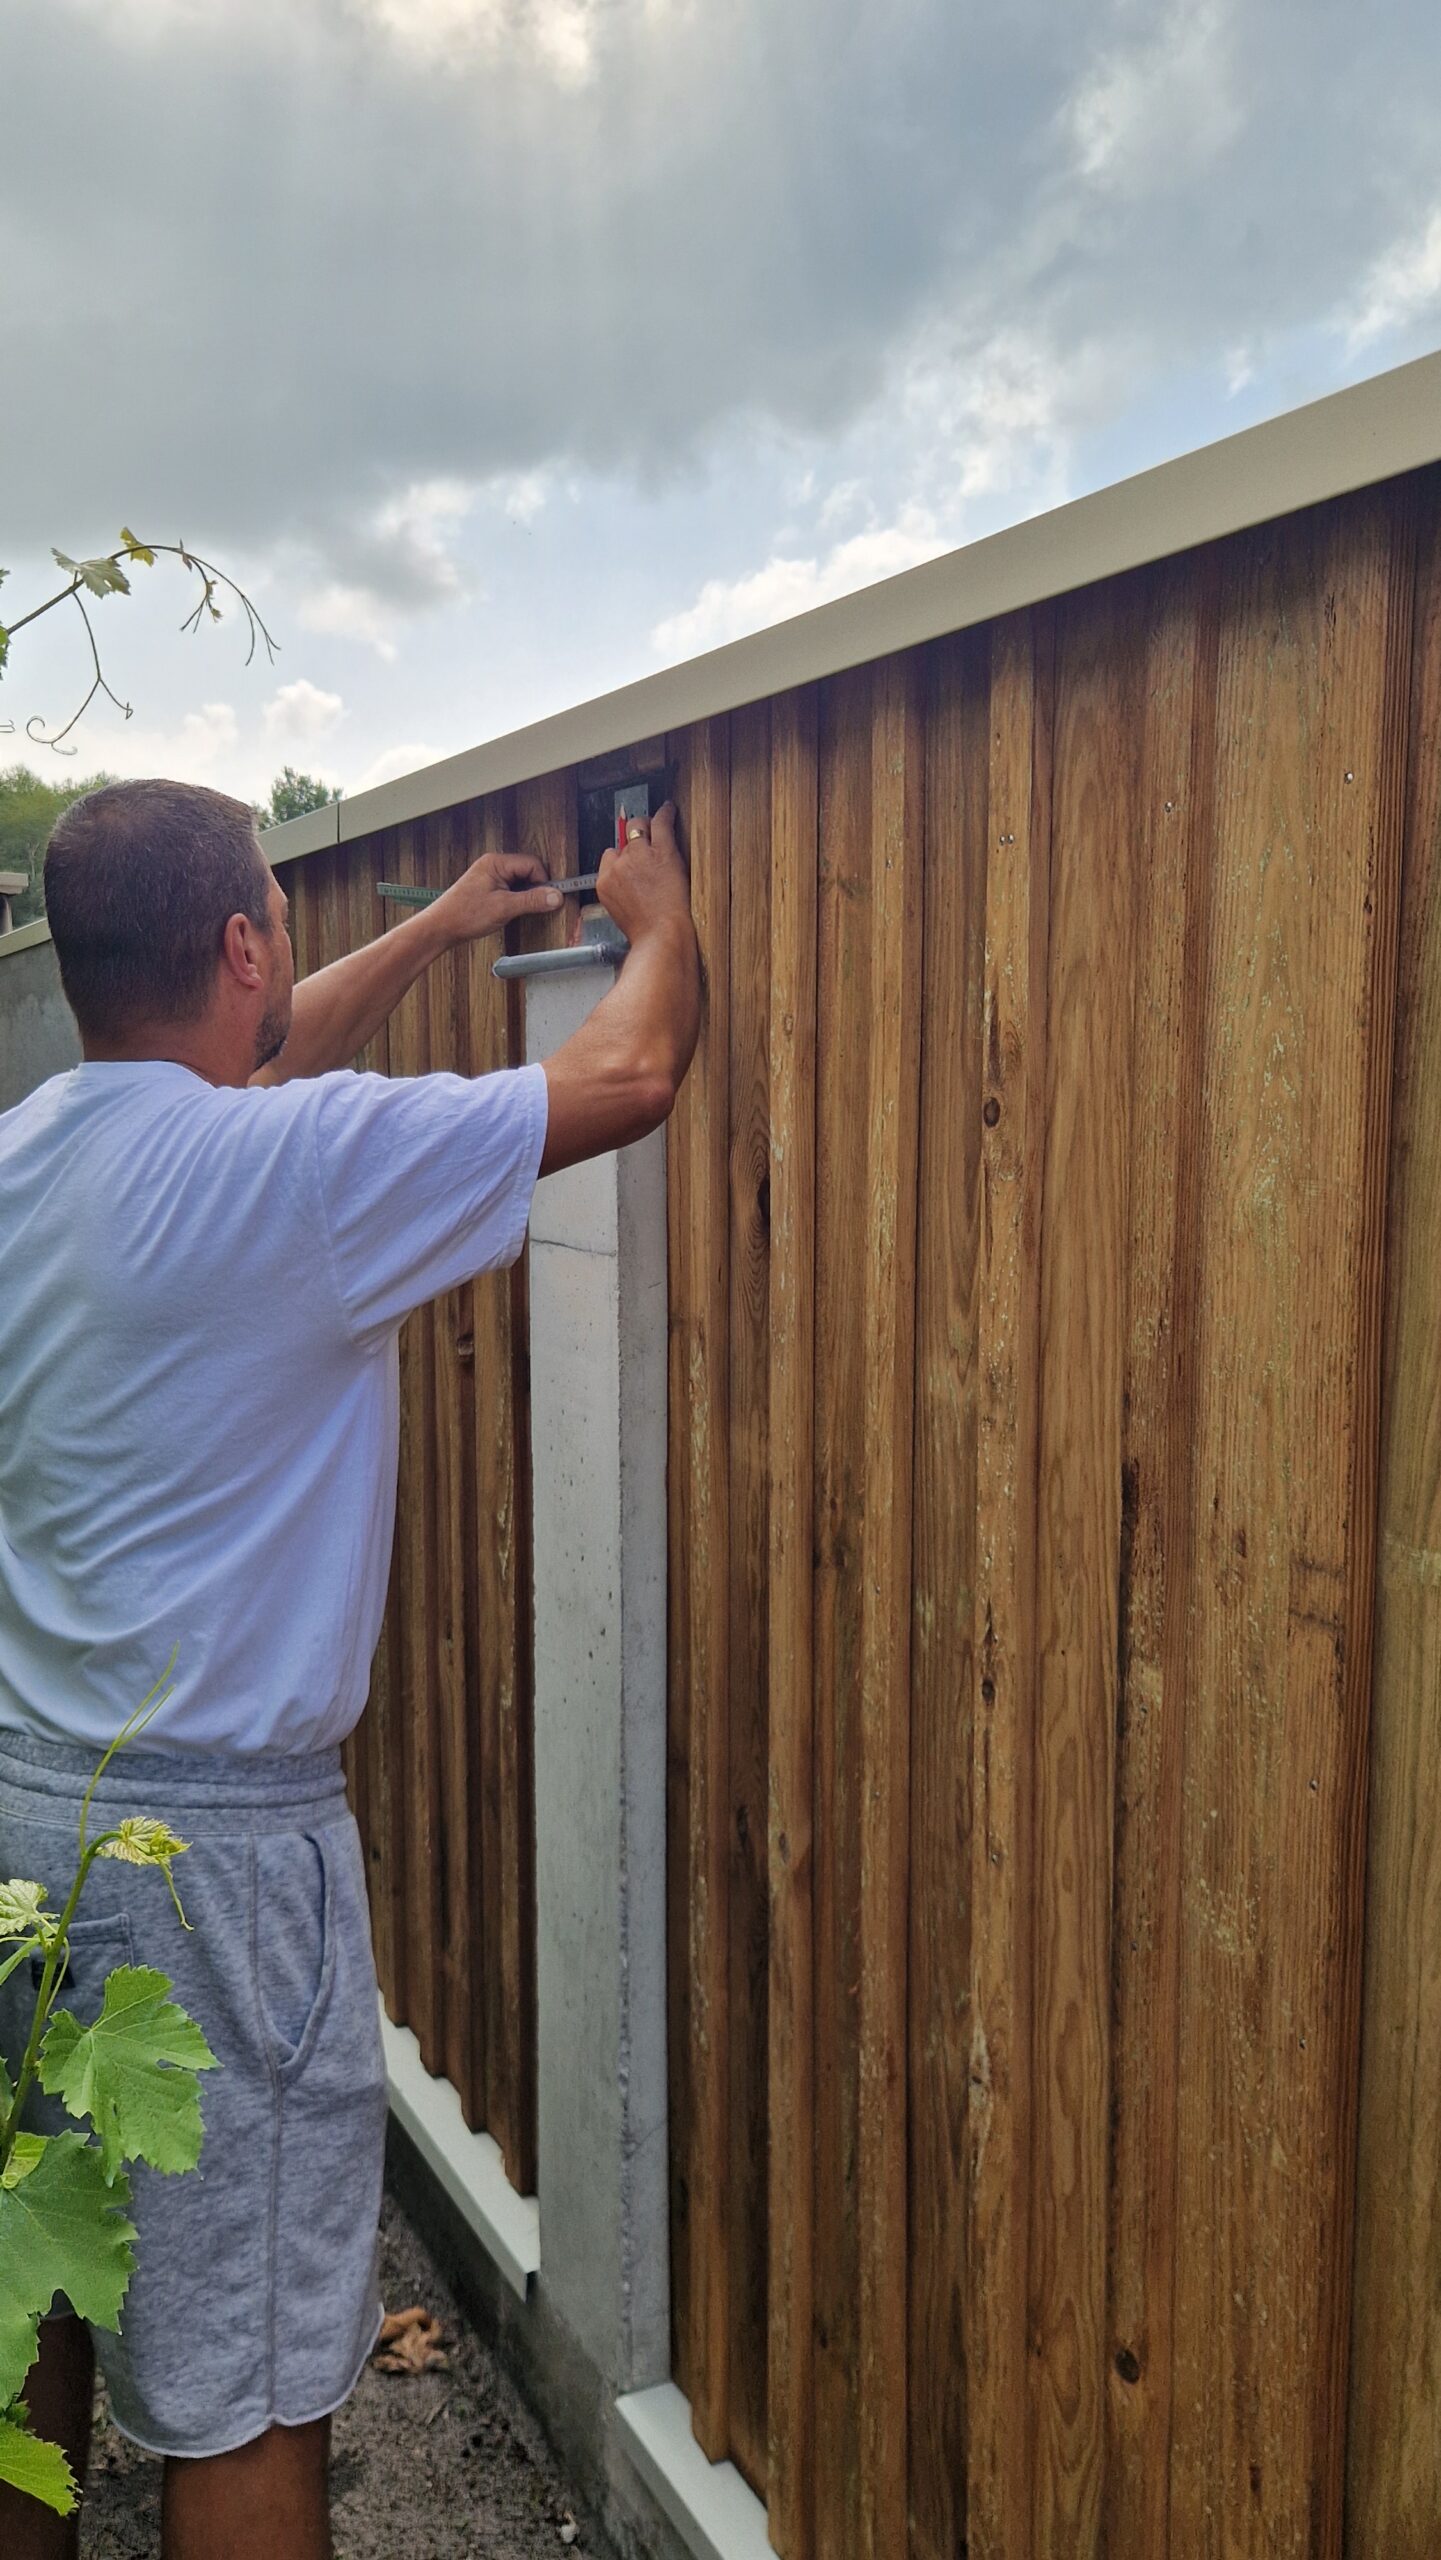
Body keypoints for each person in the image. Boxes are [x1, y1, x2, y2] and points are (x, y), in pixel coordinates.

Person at [0, 777, 700, 2560]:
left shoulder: (26, 1159)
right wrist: (660, 912)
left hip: (24, 1826)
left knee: (35, 2311)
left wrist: (446, 926)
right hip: (214, 1872)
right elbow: (623, 1075)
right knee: (237, 2385)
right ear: (240, 942)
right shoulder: (298, 1169)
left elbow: (240, 1056)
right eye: (278, 928)